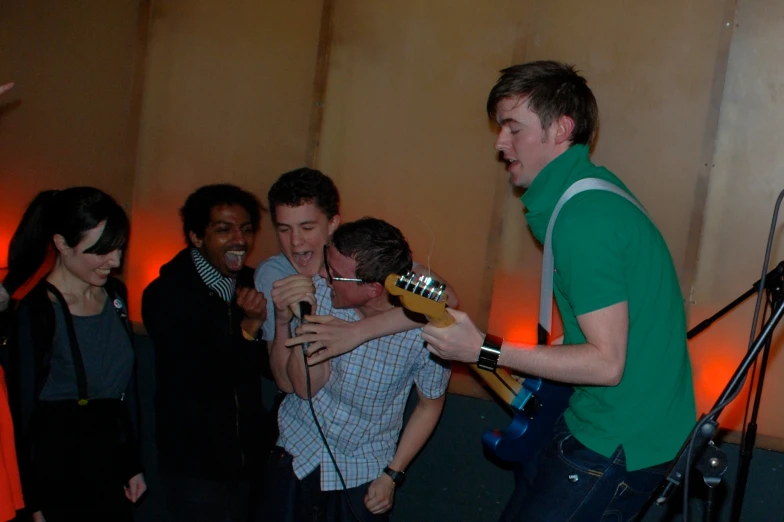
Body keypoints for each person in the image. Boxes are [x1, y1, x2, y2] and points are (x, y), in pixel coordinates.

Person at [421, 60, 696, 521]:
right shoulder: (589, 196)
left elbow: (606, 363)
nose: (500, 144)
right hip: (612, 425)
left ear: (561, 128)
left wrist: (483, 349)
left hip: (615, 439)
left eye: (513, 128)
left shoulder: (584, 219)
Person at [261, 217, 450, 521]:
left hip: (361, 470)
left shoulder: (422, 334)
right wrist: (300, 325)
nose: (323, 275)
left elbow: (429, 406)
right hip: (297, 451)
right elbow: (305, 389)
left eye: (334, 273)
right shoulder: (320, 294)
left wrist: (393, 474)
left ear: (374, 289)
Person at [3, 187, 146, 522]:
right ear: (62, 245)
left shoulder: (115, 296)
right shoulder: (36, 309)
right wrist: (33, 503)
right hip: (57, 469)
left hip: (109, 464)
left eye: (119, 248)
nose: (116, 261)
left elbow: (124, 394)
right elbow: (22, 413)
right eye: (100, 252)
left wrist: (132, 464)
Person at [141, 183, 273, 522]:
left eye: (245, 229)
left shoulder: (254, 284)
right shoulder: (166, 294)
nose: (239, 240)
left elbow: (269, 370)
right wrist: (249, 328)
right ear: (196, 237)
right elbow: (202, 375)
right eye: (223, 230)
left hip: (251, 461)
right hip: (194, 465)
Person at [254, 167, 458, 368]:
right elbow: (284, 383)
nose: (295, 241)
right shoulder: (273, 273)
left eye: (307, 228)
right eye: (284, 229)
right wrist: (282, 321)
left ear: (333, 223)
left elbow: (445, 299)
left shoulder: (355, 257)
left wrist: (357, 332)